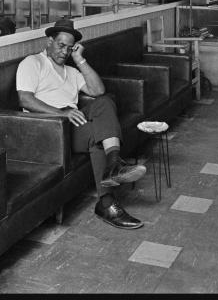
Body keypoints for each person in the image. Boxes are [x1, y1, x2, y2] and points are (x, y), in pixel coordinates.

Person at [16, 18, 146, 229]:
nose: (64, 52)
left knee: (105, 102)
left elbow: (98, 91)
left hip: (73, 124)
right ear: (49, 40)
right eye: (60, 45)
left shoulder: (72, 71)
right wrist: (62, 113)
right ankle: (107, 202)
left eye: (69, 48)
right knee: (98, 137)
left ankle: (113, 165)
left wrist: (79, 60)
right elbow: (25, 100)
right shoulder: (32, 63)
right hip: (49, 128)